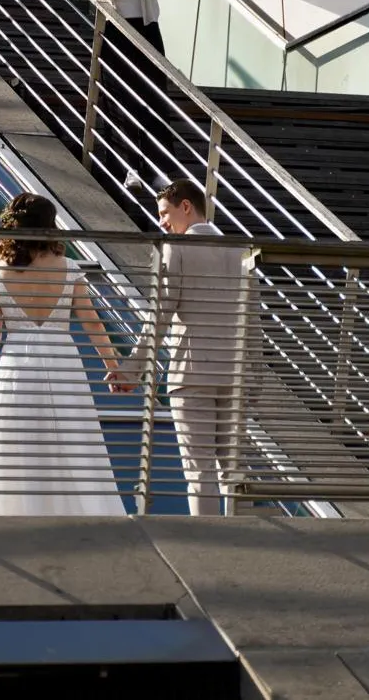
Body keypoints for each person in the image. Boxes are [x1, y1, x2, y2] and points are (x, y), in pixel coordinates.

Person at [107, 179, 262, 516]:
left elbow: (160, 314)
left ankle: (209, 552)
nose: (162, 221)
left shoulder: (175, 247)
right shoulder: (243, 250)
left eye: (165, 213)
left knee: (200, 471)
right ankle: (246, 545)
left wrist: (133, 368)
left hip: (191, 373)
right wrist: (254, 379)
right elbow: (254, 322)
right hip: (237, 376)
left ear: (186, 206)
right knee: (235, 469)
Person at [0, 192, 126, 517]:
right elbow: (93, 324)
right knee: (74, 439)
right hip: (64, 363)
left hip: (18, 367)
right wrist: (114, 368)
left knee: (23, 447)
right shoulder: (69, 269)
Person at [65, 0, 168, 194]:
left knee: (153, 98)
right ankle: (130, 167)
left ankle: (158, 169)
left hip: (147, 32)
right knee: (121, 101)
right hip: (116, 34)